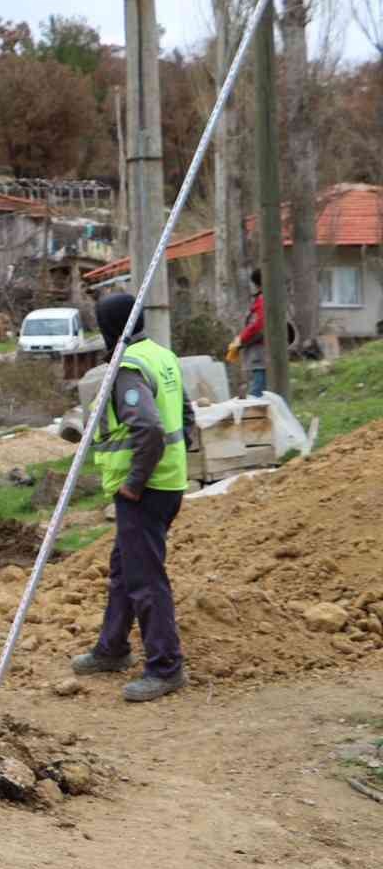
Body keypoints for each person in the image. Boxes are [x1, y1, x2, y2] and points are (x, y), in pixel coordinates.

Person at [70, 293, 196, 702]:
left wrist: (135, 482)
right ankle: (112, 648)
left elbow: (149, 427)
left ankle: (165, 668)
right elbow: (186, 415)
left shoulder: (127, 368)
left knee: (145, 580)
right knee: (125, 571)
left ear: (110, 327)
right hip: (169, 482)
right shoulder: (161, 356)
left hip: (144, 490)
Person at [226, 268, 266, 397]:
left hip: (260, 349)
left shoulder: (262, 299)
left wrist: (240, 340)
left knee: (258, 386)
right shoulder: (270, 298)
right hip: (264, 348)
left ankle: (254, 410)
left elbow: (258, 325)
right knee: (260, 382)